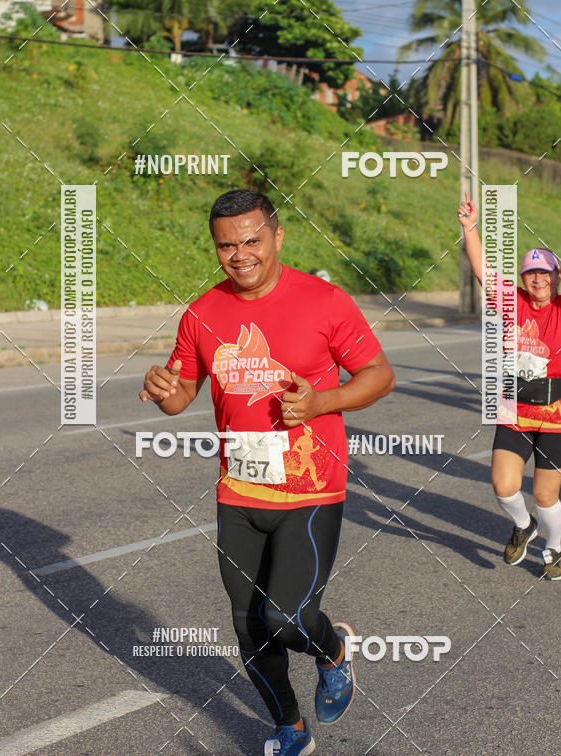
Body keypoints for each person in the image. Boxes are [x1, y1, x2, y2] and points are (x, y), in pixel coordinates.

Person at [140, 189, 395, 754]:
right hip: (239, 492)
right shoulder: (203, 313)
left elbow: (379, 374)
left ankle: (333, 651)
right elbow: (182, 395)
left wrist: (324, 403)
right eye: (226, 245)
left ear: (278, 236)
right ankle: (290, 729)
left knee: (286, 619)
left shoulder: (324, 301)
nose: (240, 254)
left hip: (310, 490)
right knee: (248, 627)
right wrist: (164, 391)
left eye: (252, 239)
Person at [458, 192, 561, 580]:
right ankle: (524, 526)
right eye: (531, 273)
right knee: (503, 485)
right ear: (523, 279)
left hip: (558, 413)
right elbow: (482, 269)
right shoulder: (511, 301)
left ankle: (552, 549)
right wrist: (469, 227)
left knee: (546, 495)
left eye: (545, 272)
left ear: (556, 277)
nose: (538, 278)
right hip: (515, 408)